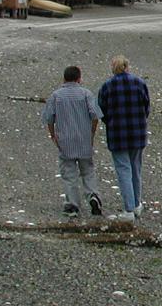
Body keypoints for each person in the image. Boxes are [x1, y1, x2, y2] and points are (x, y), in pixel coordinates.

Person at [40, 65, 103, 218]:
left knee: (69, 174)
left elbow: (49, 118)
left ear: (64, 78)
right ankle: (93, 195)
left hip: (65, 140)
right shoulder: (86, 94)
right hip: (84, 139)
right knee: (87, 170)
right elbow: (95, 115)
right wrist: (92, 132)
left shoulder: (56, 96)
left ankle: (73, 205)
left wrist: (53, 135)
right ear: (79, 78)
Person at [97, 55, 150, 223]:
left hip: (117, 134)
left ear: (113, 68)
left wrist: (111, 123)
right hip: (137, 133)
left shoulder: (107, 86)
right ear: (127, 66)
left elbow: (101, 110)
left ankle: (129, 209)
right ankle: (136, 205)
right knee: (136, 169)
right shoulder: (140, 83)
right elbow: (146, 106)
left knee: (123, 171)